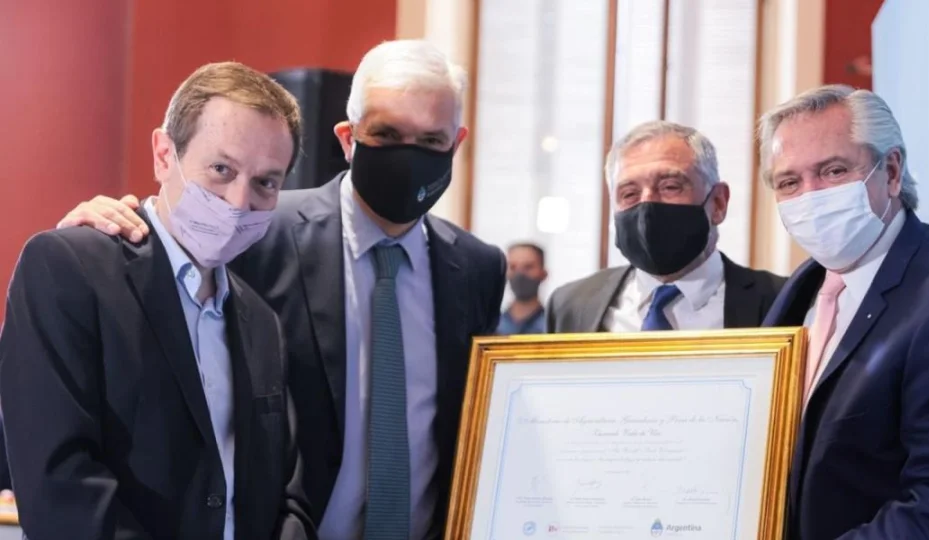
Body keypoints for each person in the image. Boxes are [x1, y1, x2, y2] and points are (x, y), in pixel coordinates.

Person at [55, 40, 506, 540]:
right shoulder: (256, 228)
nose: (409, 155)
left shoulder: (477, 269)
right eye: (387, 134)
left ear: (456, 143)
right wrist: (110, 227)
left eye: (430, 140)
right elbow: (170, 254)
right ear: (348, 137)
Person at [0, 62, 315, 540]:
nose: (238, 202)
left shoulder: (260, 320)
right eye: (221, 169)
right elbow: (59, 486)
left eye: (265, 183)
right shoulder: (69, 269)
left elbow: (285, 489)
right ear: (165, 155)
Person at [758, 85, 929, 539]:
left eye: (833, 170)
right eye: (789, 183)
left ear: (892, 172)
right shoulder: (806, 287)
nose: (810, 196)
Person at [547, 120, 785, 333]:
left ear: (718, 203)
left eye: (670, 187)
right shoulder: (571, 306)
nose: (647, 203)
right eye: (629, 193)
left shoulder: (782, 301)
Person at [497, 242, 548, 334]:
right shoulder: (493, 326)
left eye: (528, 267)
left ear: (543, 274)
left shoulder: (551, 327)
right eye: (513, 267)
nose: (519, 275)